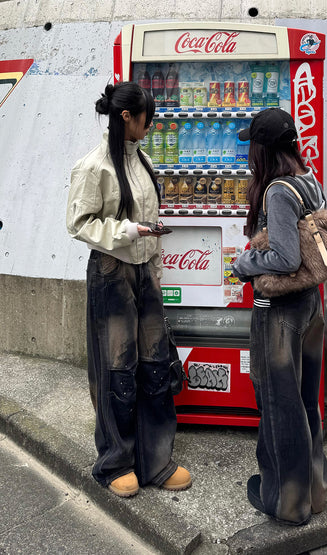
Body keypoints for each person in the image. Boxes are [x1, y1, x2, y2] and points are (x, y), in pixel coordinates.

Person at [66, 82, 191, 498]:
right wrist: (126, 230)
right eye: (145, 118)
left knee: (154, 365)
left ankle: (156, 461)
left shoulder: (143, 160)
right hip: (111, 271)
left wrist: (154, 267)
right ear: (126, 117)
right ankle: (115, 461)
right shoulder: (93, 166)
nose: (150, 125)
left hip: (143, 272)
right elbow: (79, 223)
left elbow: (151, 222)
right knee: (116, 369)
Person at [232, 108, 327, 525]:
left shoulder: (276, 191)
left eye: (252, 145)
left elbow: (286, 259)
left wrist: (245, 262)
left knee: (277, 404)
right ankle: (315, 491)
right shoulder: (308, 180)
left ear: (264, 149)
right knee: (306, 401)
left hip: (279, 312)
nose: (249, 154)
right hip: (311, 305)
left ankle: (285, 502)